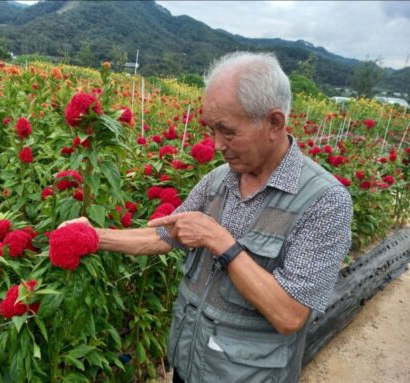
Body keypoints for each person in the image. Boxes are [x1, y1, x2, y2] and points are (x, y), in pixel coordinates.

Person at [61, 51, 353, 383]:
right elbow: (163, 235)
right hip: (190, 363)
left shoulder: (324, 201)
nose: (216, 145)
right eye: (211, 129)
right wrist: (93, 236)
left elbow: (289, 314)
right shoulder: (219, 180)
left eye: (227, 131)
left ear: (274, 123)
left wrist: (219, 240)